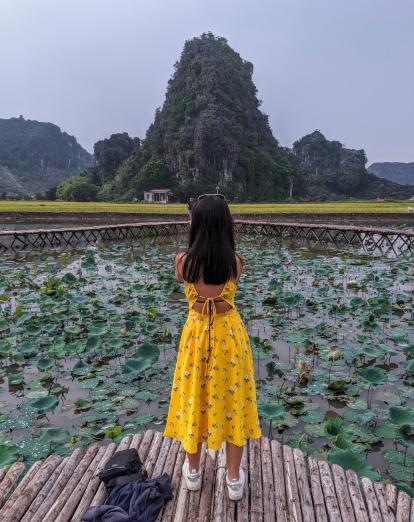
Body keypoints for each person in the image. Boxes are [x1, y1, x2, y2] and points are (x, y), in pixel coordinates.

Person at [163, 193, 262, 501]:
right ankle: (233, 480)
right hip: (229, 338)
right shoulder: (235, 263)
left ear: (197, 224)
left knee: (194, 397)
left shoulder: (183, 262)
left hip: (195, 337)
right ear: (225, 225)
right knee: (234, 404)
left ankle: (193, 473)